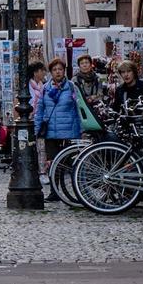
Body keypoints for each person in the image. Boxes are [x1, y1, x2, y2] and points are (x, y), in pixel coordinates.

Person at [33, 59, 82, 201]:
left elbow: (79, 109)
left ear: (64, 71)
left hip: (69, 130)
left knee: (70, 163)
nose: (58, 72)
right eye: (55, 70)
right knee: (52, 163)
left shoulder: (72, 87)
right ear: (51, 72)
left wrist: (81, 129)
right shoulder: (46, 89)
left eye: (60, 69)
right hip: (51, 132)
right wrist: (37, 129)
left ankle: (74, 192)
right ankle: (55, 192)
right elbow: (40, 110)